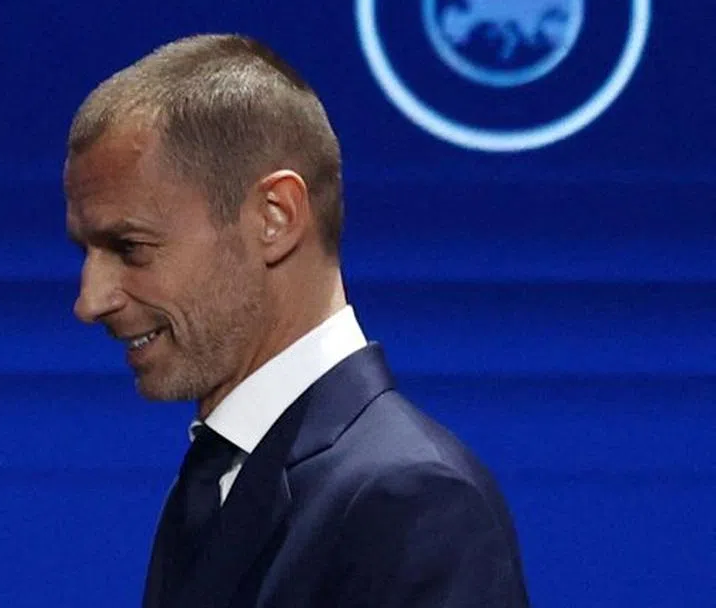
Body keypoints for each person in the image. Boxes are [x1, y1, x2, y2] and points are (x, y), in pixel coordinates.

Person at [63, 34, 530, 607]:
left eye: (130, 247)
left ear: (275, 217)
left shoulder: (410, 499)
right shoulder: (214, 483)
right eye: (86, 252)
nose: (90, 301)